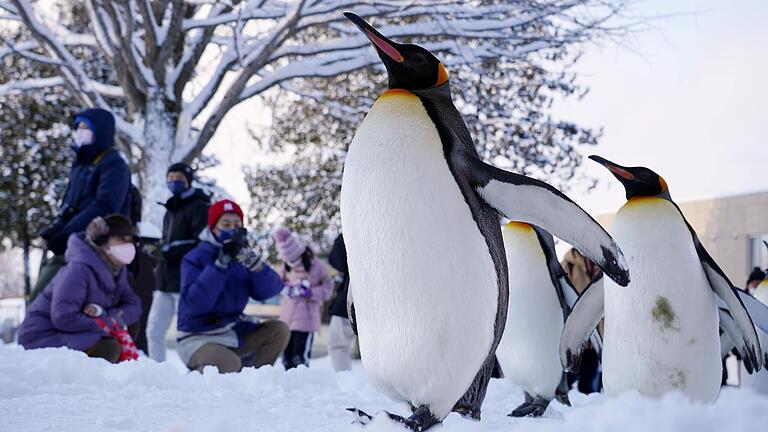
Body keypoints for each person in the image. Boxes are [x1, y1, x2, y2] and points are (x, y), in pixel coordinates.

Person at [177, 199, 290, 373]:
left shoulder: (242, 256)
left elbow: (270, 290)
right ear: (214, 228)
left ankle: (252, 381)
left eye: (237, 224)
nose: (232, 229)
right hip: (198, 337)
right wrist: (219, 266)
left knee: (279, 330)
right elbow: (195, 304)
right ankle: (199, 377)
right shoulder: (195, 257)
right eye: (226, 224)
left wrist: (257, 267)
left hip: (233, 332)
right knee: (229, 363)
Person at [33, 108, 131, 302]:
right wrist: (57, 229)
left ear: (101, 131)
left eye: (86, 127)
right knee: (45, 303)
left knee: (46, 302)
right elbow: (72, 206)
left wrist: (68, 233)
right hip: (75, 244)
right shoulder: (81, 165)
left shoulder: (114, 165)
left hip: (96, 247)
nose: (80, 131)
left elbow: (105, 206)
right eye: (78, 126)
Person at [18, 214, 142, 363]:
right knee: (110, 347)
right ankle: (88, 383)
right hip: (42, 337)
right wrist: (107, 322)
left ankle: (109, 378)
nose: (127, 246)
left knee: (130, 325)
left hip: (74, 331)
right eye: (121, 239)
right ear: (102, 241)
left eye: (130, 241)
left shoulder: (116, 270)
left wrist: (104, 315)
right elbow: (63, 318)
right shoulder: (78, 270)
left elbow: (134, 304)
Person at [146, 163, 210, 362]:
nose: (174, 182)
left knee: (188, 332)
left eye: (179, 178)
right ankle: (156, 372)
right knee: (153, 330)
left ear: (188, 180)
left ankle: (197, 370)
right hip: (164, 281)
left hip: (186, 282)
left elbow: (201, 244)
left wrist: (169, 251)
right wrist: (159, 251)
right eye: (170, 178)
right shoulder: (169, 209)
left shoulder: (200, 206)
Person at [273, 227, 333, 369]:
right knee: (286, 357)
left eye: (293, 259)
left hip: (307, 320)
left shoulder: (316, 265)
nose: (291, 262)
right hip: (287, 318)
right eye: (288, 260)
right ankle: (287, 386)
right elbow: (276, 284)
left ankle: (302, 386)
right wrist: (286, 289)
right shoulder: (285, 266)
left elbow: (328, 288)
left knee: (299, 358)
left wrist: (310, 292)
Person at [562, 247, 603, 394]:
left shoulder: (602, 267)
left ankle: (584, 415)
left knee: (588, 387)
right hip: (573, 339)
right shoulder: (569, 266)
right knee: (567, 382)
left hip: (594, 341)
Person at [327, 233, 356, 372]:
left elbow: (336, 259)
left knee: (338, 344)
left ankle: (345, 381)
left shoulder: (351, 231)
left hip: (351, 296)